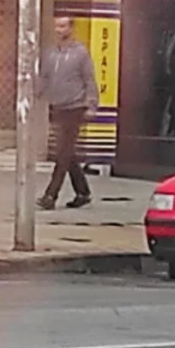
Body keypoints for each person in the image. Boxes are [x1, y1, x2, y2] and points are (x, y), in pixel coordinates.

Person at [38, 15, 100, 210]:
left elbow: (89, 79)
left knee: (62, 153)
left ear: (71, 28)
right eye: (56, 26)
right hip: (56, 107)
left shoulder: (80, 53)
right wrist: (34, 94)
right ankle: (83, 192)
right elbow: (44, 77)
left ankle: (50, 195)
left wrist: (91, 104)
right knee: (68, 152)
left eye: (63, 26)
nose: (58, 30)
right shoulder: (50, 53)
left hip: (75, 107)